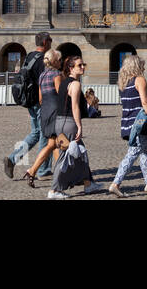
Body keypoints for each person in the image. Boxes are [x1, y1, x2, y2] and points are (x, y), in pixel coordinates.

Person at [47, 56, 106, 198]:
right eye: (79, 65)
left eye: (83, 64)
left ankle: (88, 184)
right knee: (64, 157)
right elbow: (75, 107)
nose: (83, 67)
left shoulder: (64, 82)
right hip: (69, 122)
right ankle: (54, 190)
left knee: (80, 155)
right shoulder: (75, 84)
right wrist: (79, 125)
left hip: (61, 121)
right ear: (71, 68)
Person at [109, 54, 147, 196]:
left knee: (144, 152)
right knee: (133, 153)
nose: (144, 67)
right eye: (142, 65)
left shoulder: (123, 83)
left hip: (127, 122)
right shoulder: (140, 80)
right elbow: (145, 103)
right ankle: (115, 183)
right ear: (136, 66)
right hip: (138, 124)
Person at [4, 31, 51, 179]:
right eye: (50, 40)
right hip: (39, 101)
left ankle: (12, 159)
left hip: (29, 101)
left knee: (35, 133)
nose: (51, 42)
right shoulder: (43, 59)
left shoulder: (30, 56)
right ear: (44, 43)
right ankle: (43, 170)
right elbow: (43, 82)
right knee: (45, 135)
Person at [22, 49, 62, 185]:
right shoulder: (56, 74)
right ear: (55, 61)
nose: (61, 62)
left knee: (53, 144)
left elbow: (40, 98)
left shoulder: (43, 75)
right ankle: (33, 170)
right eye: (60, 60)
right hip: (55, 112)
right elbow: (60, 94)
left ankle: (58, 172)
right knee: (55, 144)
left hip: (45, 111)